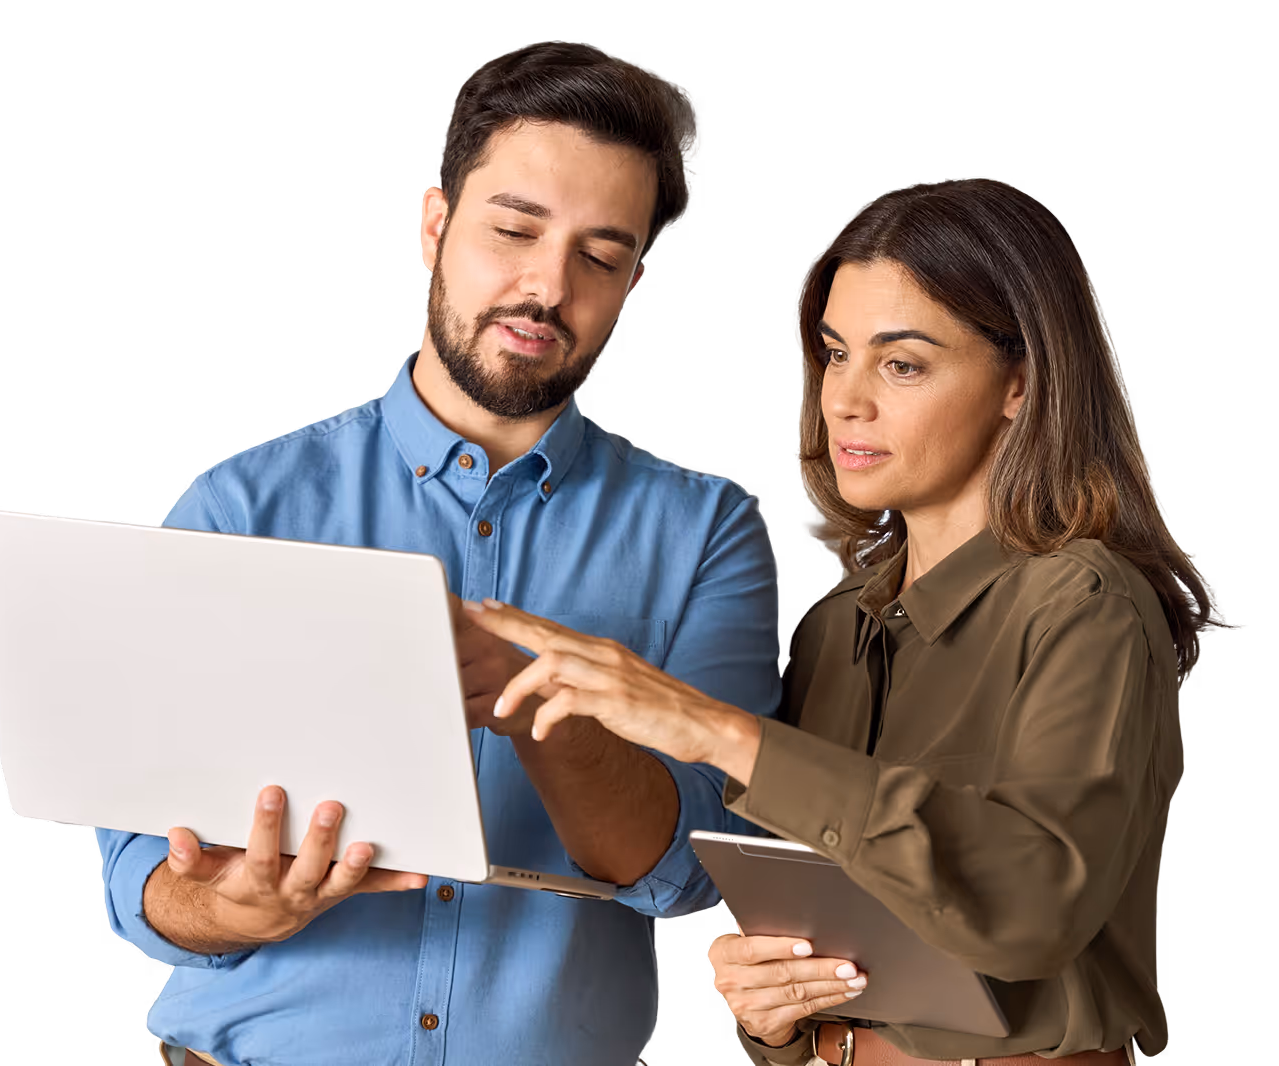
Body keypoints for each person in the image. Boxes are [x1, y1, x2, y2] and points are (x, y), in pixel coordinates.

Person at [91, 41, 786, 1066]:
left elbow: (692, 872)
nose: (546, 287)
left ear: (634, 281)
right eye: (513, 230)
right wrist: (230, 905)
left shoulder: (709, 531)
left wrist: (538, 694)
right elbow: (139, 880)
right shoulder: (238, 506)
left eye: (599, 257)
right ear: (434, 226)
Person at [465, 177, 1241, 1065]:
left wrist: (719, 730)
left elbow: (1030, 912)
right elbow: (824, 946)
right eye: (835, 354)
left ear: (1020, 383)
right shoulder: (832, 629)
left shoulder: (1086, 603)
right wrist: (772, 1013)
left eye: (901, 363)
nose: (845, 401)